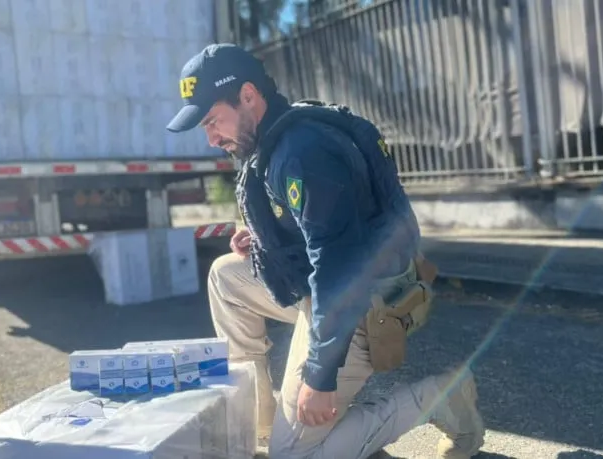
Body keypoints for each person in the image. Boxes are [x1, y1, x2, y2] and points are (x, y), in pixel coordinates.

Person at [167, 43, 485, 459]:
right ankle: (261, 428)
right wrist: (263, 238)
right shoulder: (271, 138)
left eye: (212, 121)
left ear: (248, 96)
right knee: (226, 277)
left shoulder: (303, 153)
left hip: (366, 304)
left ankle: (439, 397)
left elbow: (340, 270)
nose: (210, 138)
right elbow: (311, 225)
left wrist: (320, 377)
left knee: (296, 455)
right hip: (326, 289)